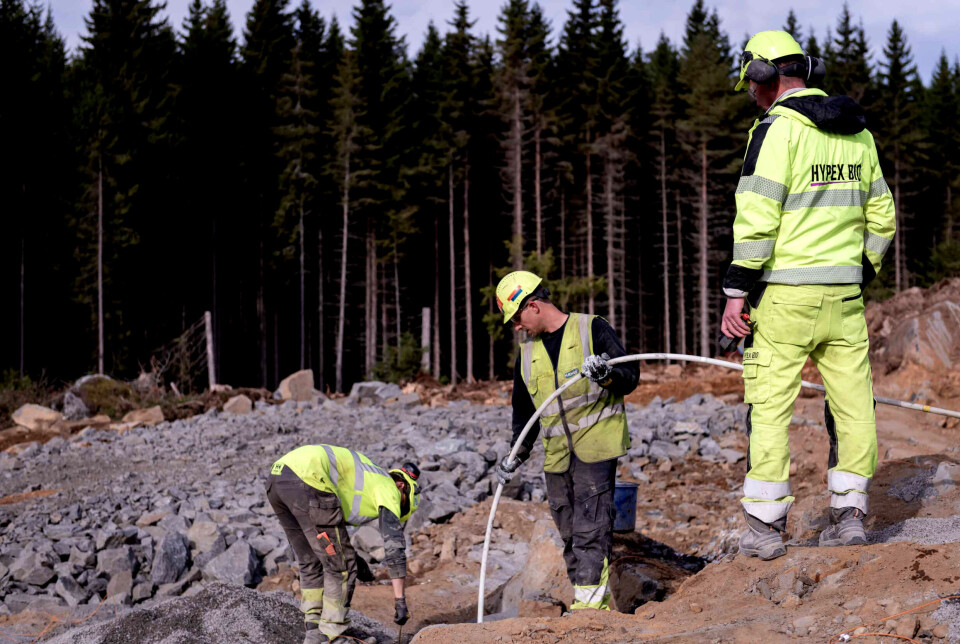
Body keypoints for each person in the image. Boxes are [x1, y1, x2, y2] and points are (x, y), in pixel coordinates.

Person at [720, 30, 896, 560]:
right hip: (843, 299)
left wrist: (736, 290)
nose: (752, 96)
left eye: (752, 85)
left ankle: (765, 528)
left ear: (765, 79)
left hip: (783, 300)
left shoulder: (776, 131)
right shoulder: (856, 133)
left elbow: (757, 215)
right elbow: (882, 216)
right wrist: (859, 271)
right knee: (852, 405)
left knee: (770, 407)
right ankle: (849, 517)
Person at [493, 270, 639, 610]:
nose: (516, 326)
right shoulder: (527, 353)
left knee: (591, 526)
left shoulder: (592, 329)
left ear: (533, 306)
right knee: (569, 530)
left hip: (596, 445)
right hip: (557, 454)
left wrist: (607, 375)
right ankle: (585, 596)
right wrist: (517, 453)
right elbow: (525, 410)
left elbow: (629, 376)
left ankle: (590, 609)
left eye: (516, 318)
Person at [266, 445, 421, 643]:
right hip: (308, 478)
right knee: (343, 567)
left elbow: (329, 534)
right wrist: (400, 600)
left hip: (277, 477)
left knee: (311, 561)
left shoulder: (368, 478)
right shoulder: (389, 487)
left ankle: (314, 632)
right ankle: (333, 635)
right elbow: (394, 548)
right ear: (402, 487)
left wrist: (355, 557)